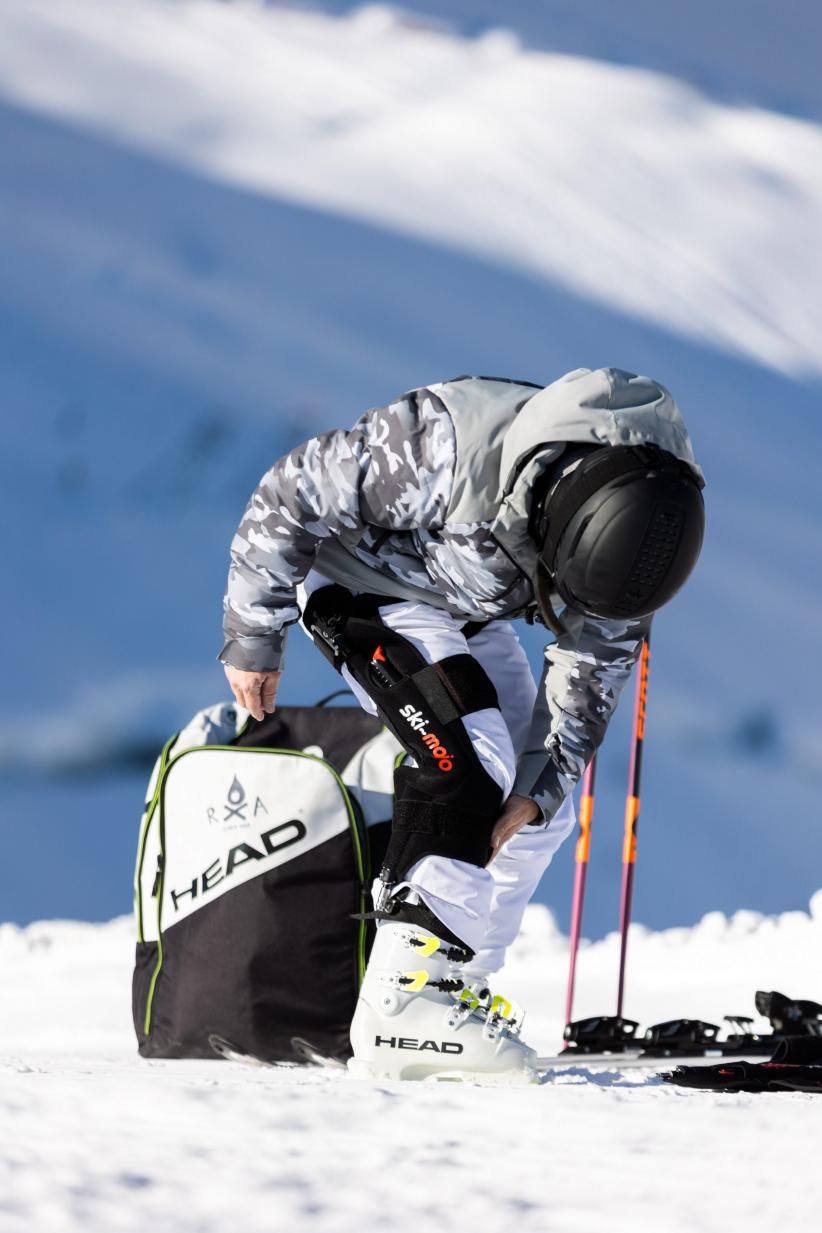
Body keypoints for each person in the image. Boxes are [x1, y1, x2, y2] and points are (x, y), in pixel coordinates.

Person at [219, 367, 705, 1081]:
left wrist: (539, 788)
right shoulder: (447, 451)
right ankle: (399, 1006)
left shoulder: (645, 538)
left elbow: (587, 676)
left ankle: (456, 986)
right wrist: (255, 633)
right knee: (467, 759)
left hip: (453, 603)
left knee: (536, 808)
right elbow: (291, 491)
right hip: (354, 579)